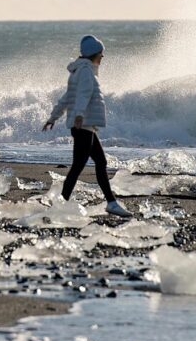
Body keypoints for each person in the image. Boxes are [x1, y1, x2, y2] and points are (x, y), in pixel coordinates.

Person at [42, 34, 131, 217]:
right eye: (101, 54)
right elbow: (84, 94)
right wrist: (80, 115)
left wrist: (54, 117)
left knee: (100, 162)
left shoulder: (80, 71)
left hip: (84, 126)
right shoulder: (86, 72)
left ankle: (111, 202)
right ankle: (61, 205)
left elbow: (67, 98)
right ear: (94, 54)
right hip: (82, 125)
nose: (102, 57)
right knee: (78, 167)